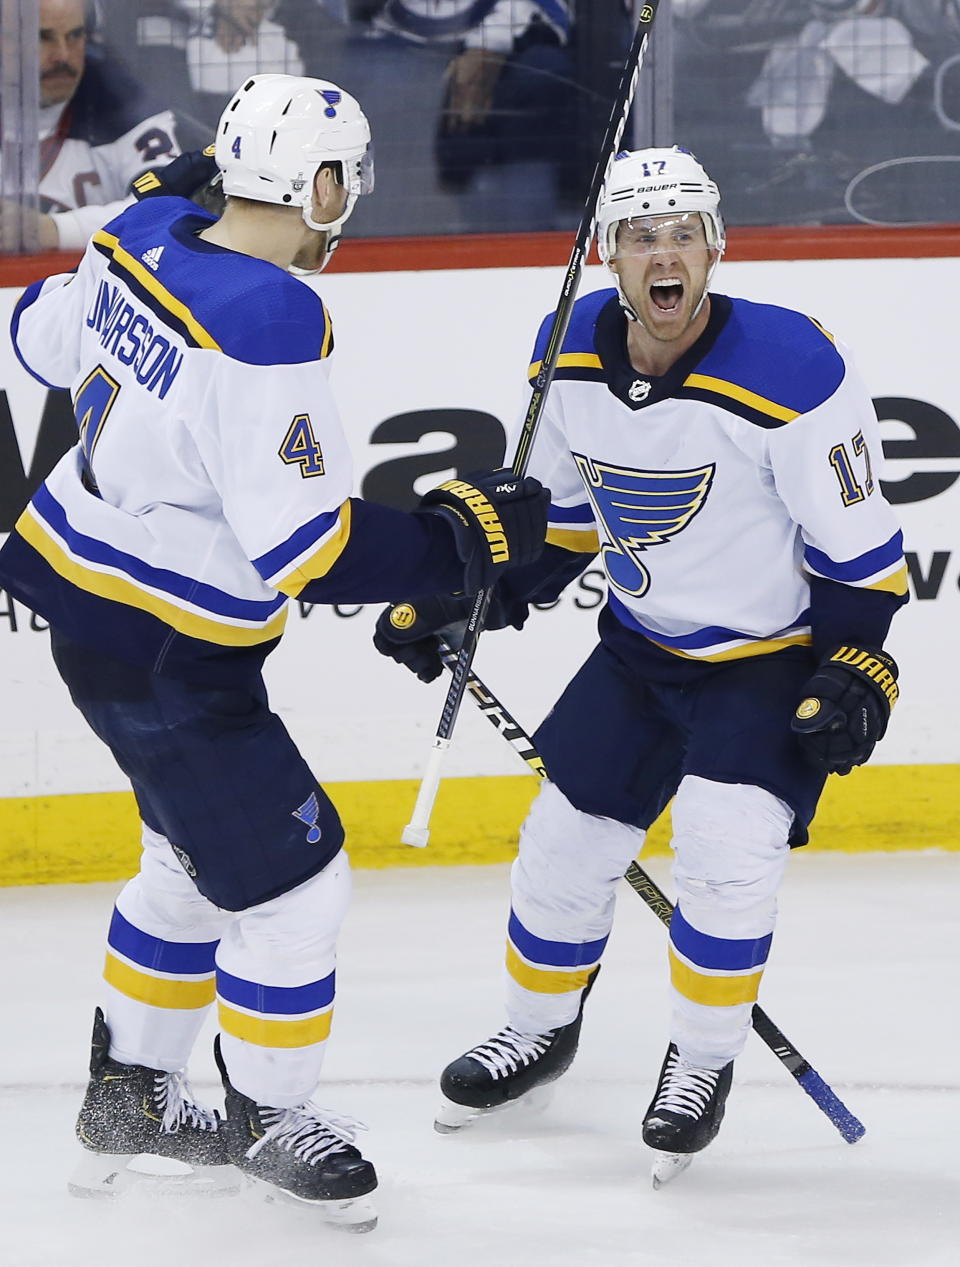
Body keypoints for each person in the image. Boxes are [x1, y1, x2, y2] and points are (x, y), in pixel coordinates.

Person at [0, 72, 548, 1228]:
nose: (349, 208)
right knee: (299, 883)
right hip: (168, 652)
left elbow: (33, 340)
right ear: (320, 184)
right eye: (345, 183)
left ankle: (129, 1098)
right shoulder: (269, 315)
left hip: (92, 612)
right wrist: (460, 540)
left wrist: (164, 208)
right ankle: (270, 1117)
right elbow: (307, 544)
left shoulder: (138, 228)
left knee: (186, 858)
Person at [373, 145, 908, 1184]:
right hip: (638, 649)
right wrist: (465, 595)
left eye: (682, 235)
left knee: (725, 852)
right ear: (610, 258)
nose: (663, 256)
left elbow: (860, 555)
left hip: (766, 659)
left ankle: (700, 1063)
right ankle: (539, 1030)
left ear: (715, 249)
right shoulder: (565, 348)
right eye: (639, 236)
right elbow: (562, 522)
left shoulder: (794, 367)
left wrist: (854, 664)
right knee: (562, 847)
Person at [0, 0, 204, 251]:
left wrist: (56, 230)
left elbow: (168, 207)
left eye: (75, 35)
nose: (63, 55)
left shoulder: (123, 103)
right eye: (42, 38)